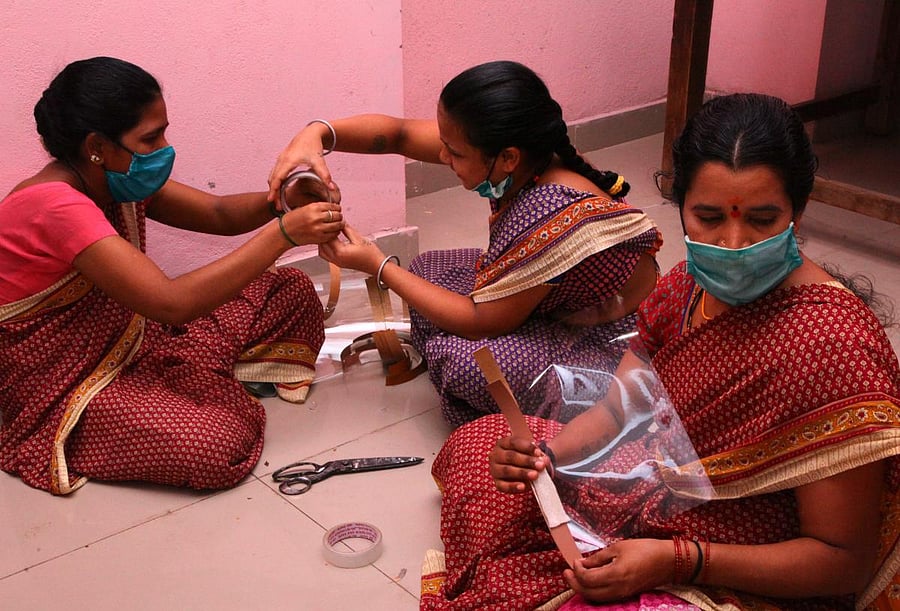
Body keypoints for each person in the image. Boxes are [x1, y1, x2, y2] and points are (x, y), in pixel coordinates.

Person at [419, 93, 900, 610]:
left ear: (798, 212)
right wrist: (549, 459)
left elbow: (841, 559)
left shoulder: (834, 346)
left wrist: (678, 559)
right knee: (480, 447)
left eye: (762, 219)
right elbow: (618, 408)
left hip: (749, 557)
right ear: (681, 208)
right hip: (657, 488)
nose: (734, 242)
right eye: (709, 217)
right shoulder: (685, 287)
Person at [0, 57, 343, 495]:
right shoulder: (54, 206)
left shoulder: (114, 179)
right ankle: (180, 395)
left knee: (289, 289)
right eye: (150, 138)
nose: (164, 147)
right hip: (70, 381)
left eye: (163, 131)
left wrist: (284, 199)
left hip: (139, 338)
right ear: (97, 146)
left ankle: (187, 385)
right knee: (219, 445)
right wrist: (283, 235)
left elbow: (216, 213)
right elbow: (171, 303)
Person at [269, 60, 662, 427]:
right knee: (428, 271)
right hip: (553, 304)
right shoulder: (530, 156)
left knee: (465, 362)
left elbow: (480, 322)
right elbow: (401, 135)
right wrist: (316, 134)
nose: (442, 156)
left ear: (507, 157)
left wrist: (377, 265)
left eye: (454, 153)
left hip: (611, 344)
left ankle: (588, 405)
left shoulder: (548, 210)